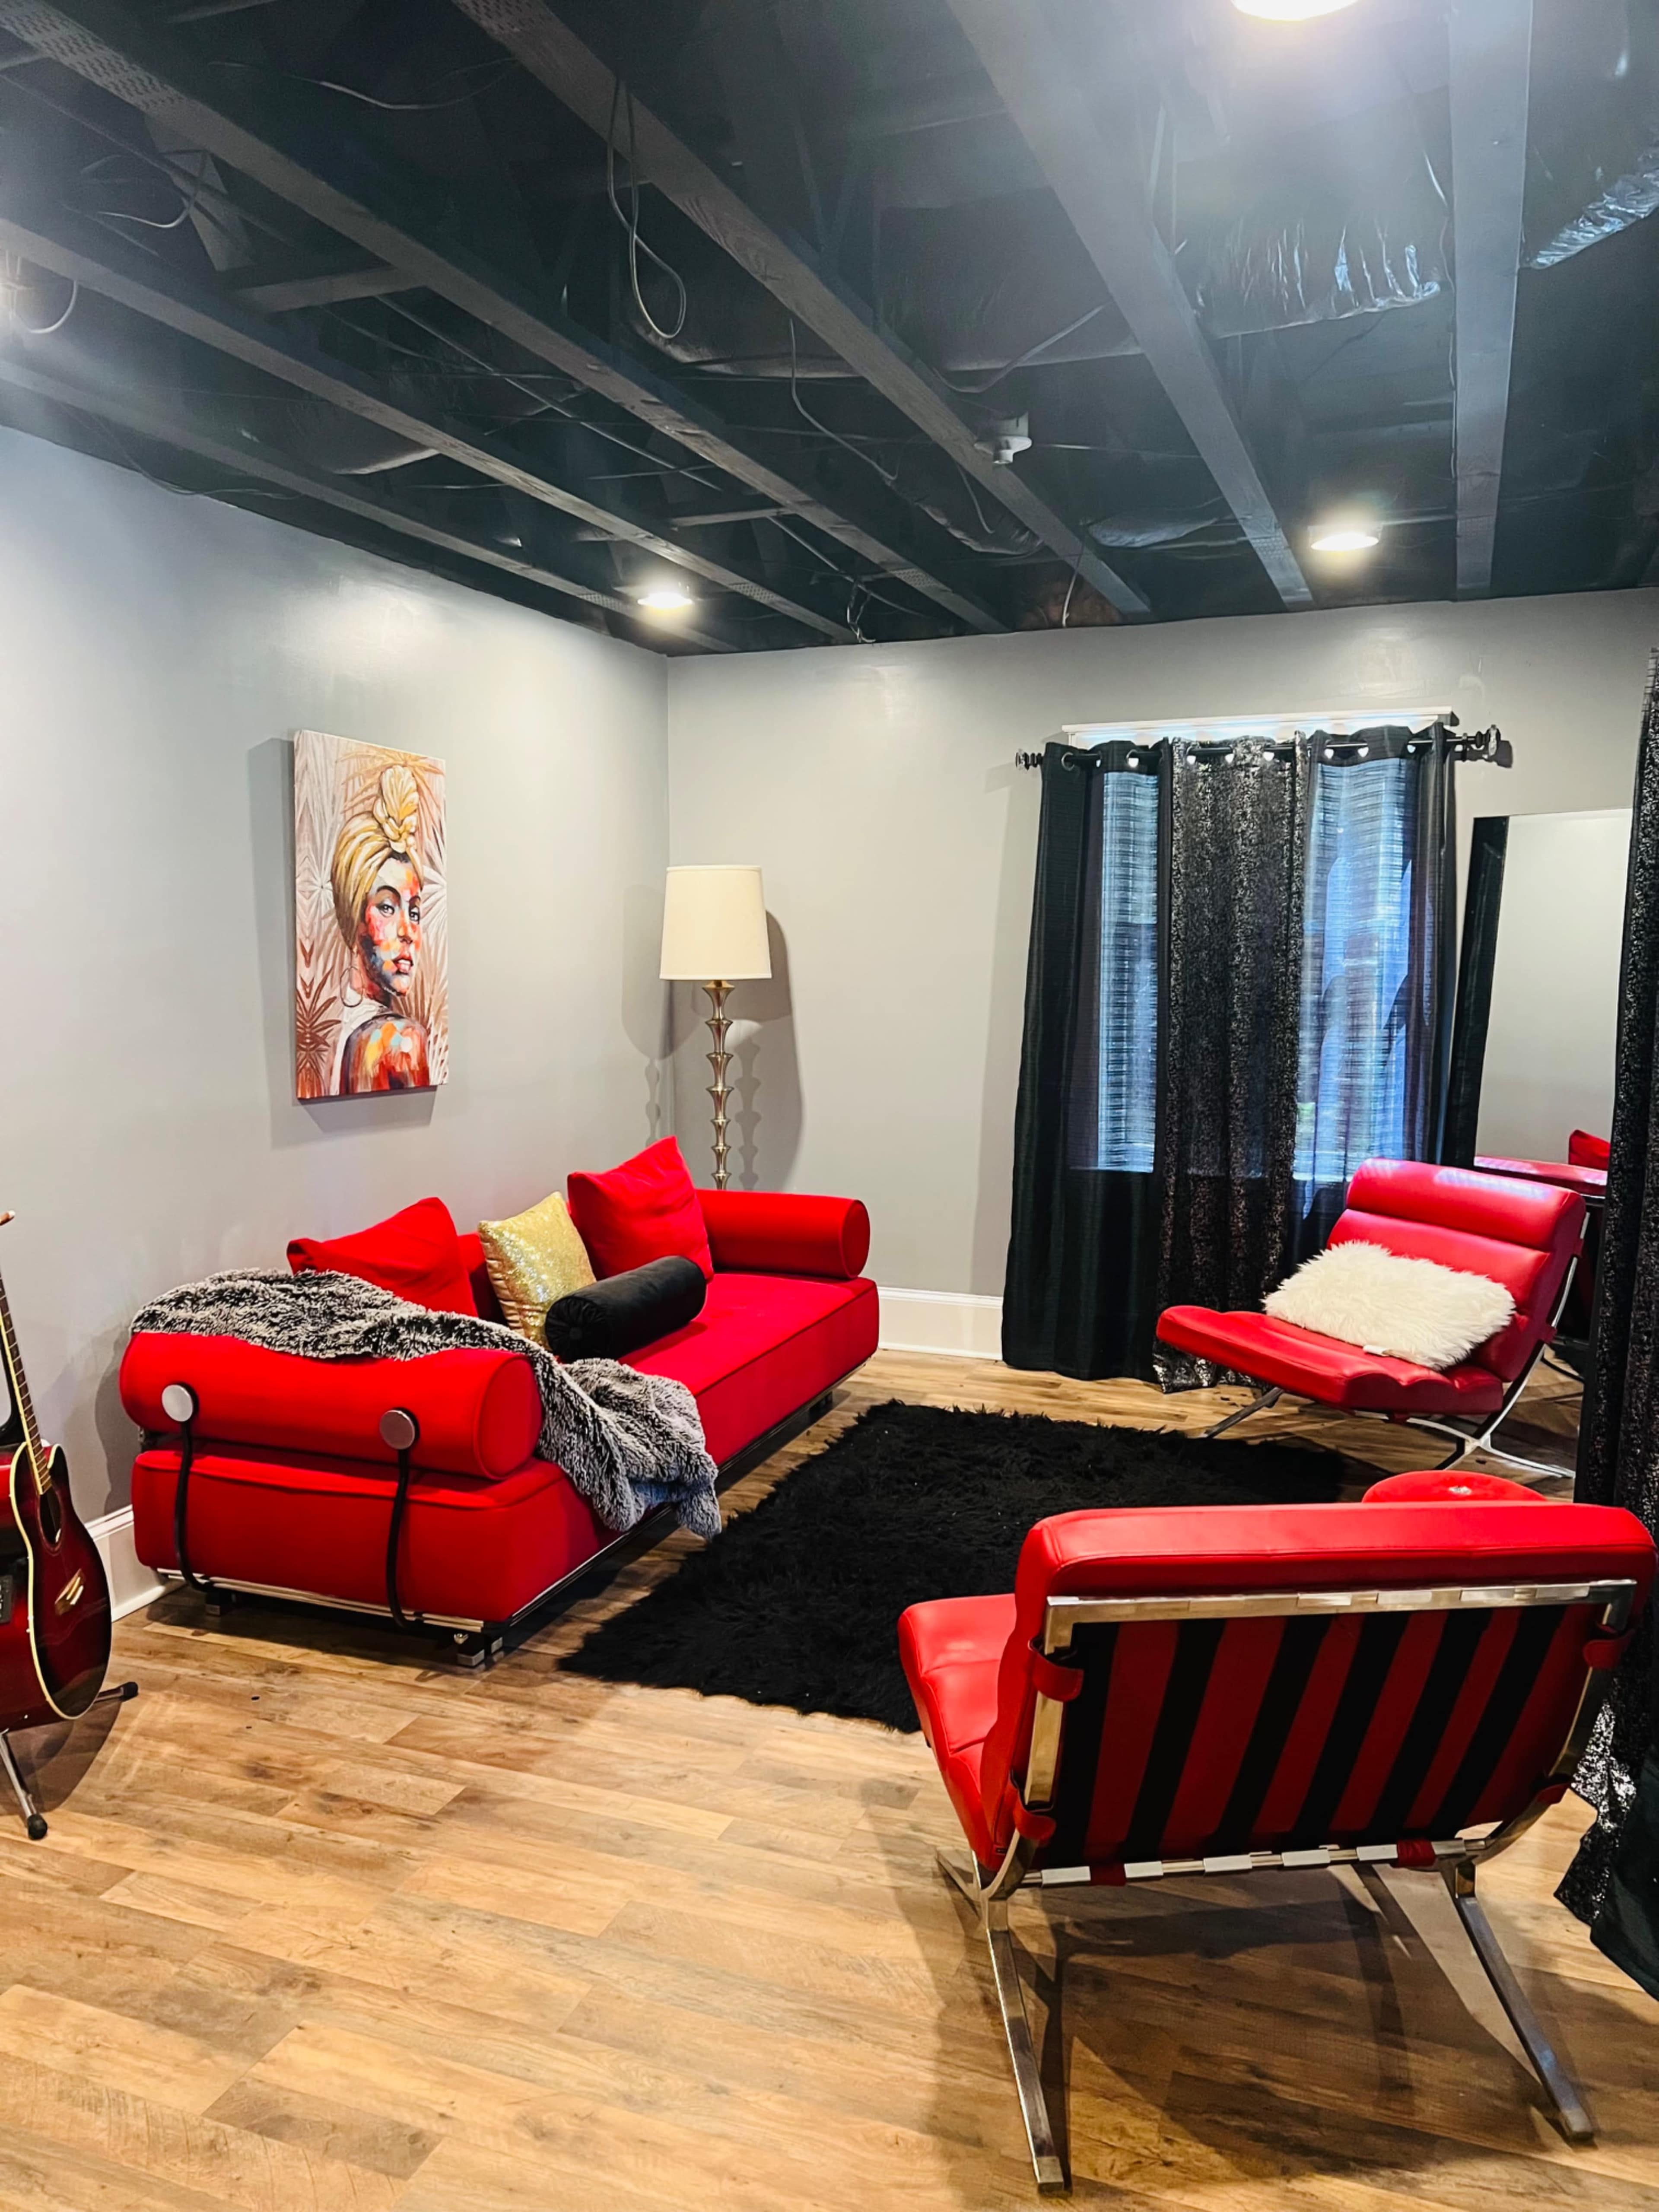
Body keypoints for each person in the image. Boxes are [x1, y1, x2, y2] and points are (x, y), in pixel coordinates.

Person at [328, 762, 432, 1093]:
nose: (408, 932)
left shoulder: (344, 1030)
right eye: (387, 907)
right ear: (355, 918)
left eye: (414, 912)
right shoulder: (399, 1041)